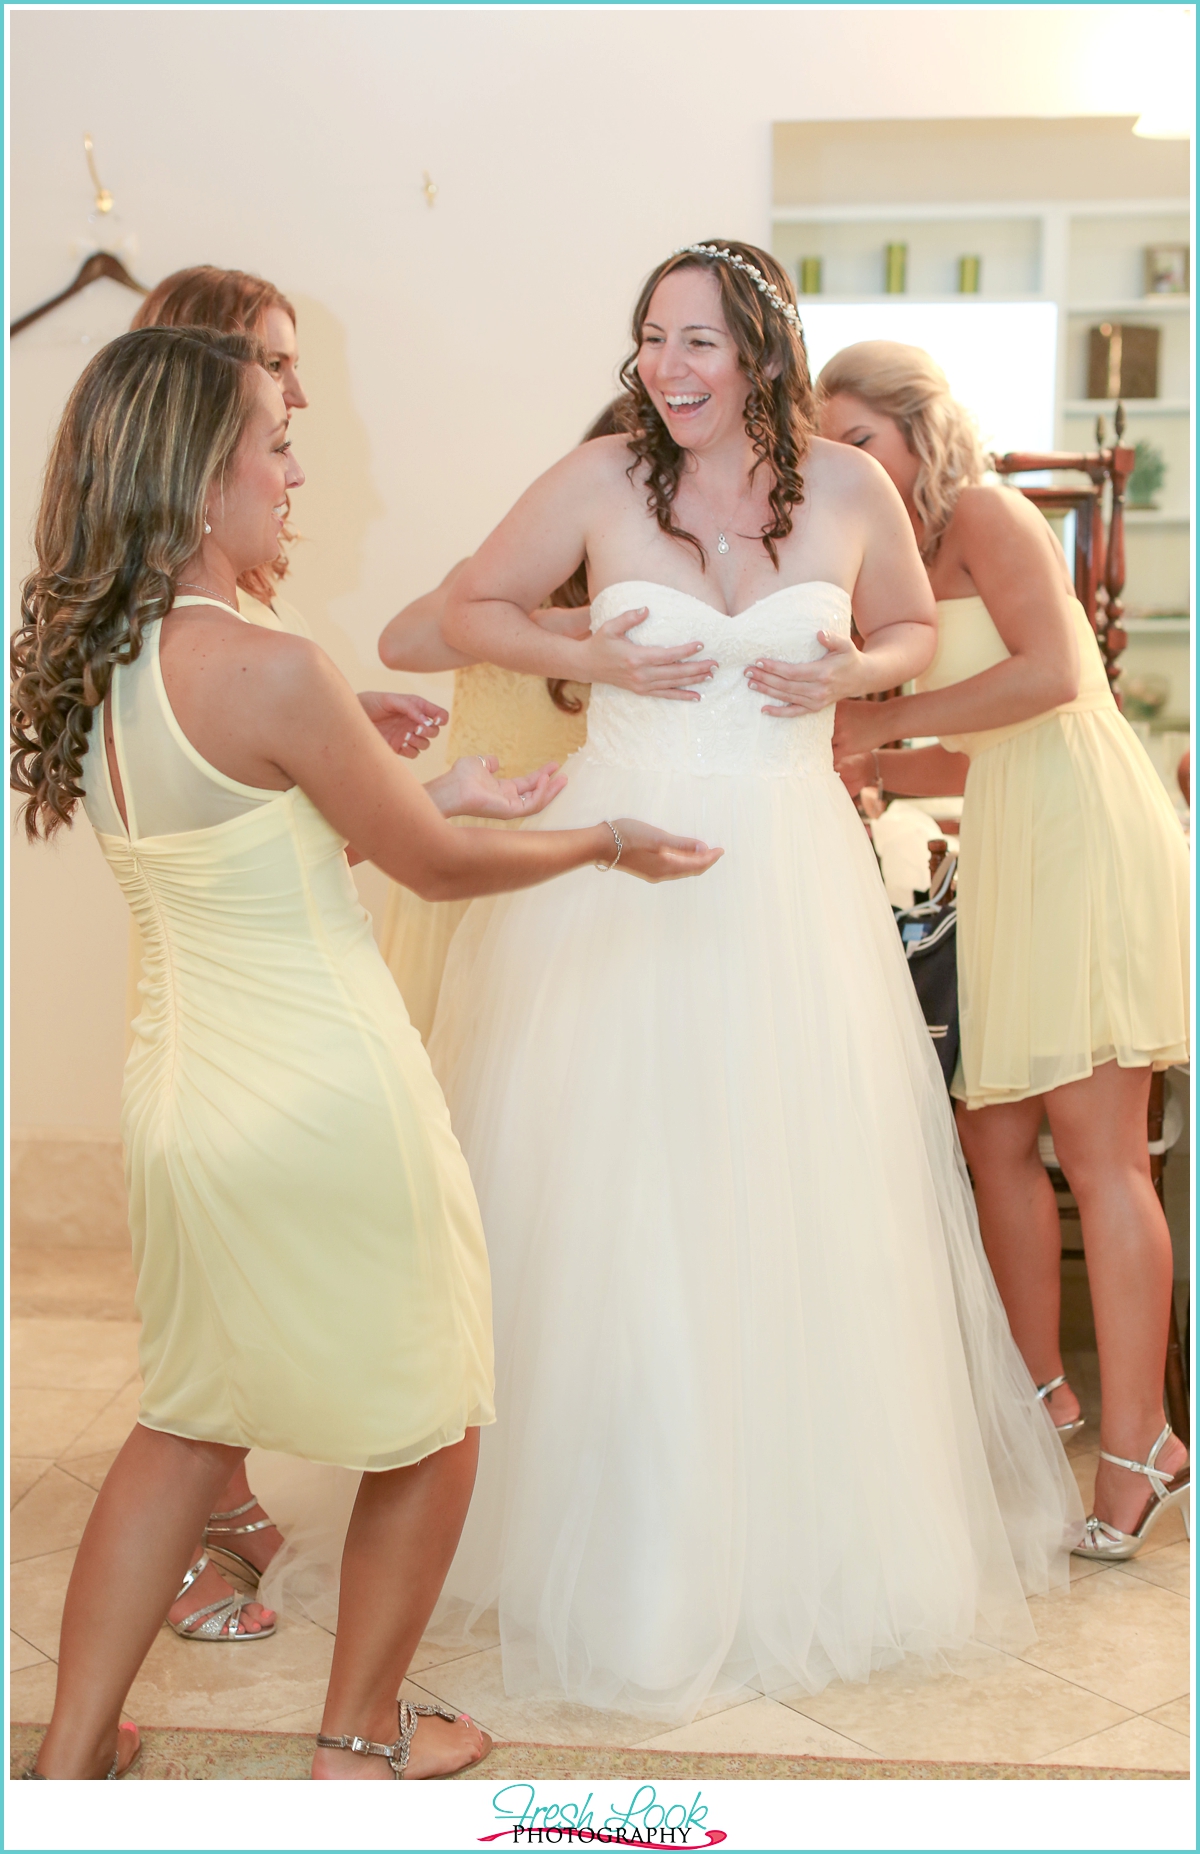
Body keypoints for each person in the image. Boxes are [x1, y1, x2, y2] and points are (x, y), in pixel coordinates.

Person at [375, 240, 1078, 1722]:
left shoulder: (848, 488)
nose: (667, 369)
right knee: (623, 1204)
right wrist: (590, 649)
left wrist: (856, 679)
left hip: (793, 886)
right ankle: (626, 1554)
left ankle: (813, 1542)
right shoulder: (596, 479)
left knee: (794, 1198)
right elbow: (459, 608)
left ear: (761, 350)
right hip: (623, 885)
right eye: (649, 340)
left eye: (696, 341)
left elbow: (896, 625)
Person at [9, 325, 719, 1778]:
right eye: (274, 442)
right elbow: (439, 868)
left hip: (185, 1088)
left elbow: (253, 842)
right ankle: (360, 1735)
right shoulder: (271, 665)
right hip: (326, 1084)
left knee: (190, 1417)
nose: (294, 469)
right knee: (439, 1406)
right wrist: (602, 836)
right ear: (202, 481)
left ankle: (69, 1756)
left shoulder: (104, 662)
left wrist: (416, 772)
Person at [819, 341, 1190, 1561]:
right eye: (828, 447)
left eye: (861, 438)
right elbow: (971, 745)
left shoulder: (986, 513)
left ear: (922, 433)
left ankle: (1141, 1446)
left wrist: (882, 722)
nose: (845, 462)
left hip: (1081, 834)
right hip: (1012, 842)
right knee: (989, 1136)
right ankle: (1043, 1402)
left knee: (1099, 1150)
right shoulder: (891, 560)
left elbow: (1053, 677)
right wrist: (855, 760)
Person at [130, 264, 449, 1635]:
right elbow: (398, 848)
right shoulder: (203, 619)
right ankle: (238, 1558)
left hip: (200, 1014)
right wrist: (582, 834)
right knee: (257, 1322)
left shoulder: (147, 609)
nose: (300, 395)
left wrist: (339, 735)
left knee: (213, 1297)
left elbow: (262, 787)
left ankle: (211, 1520)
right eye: (272, 368)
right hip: (266, 1013)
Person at [375, 399, 709, 1039]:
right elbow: (401, 643)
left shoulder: (667, 611)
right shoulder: (503, 588)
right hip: (473, 843)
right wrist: (553, 627)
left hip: (581, 859)